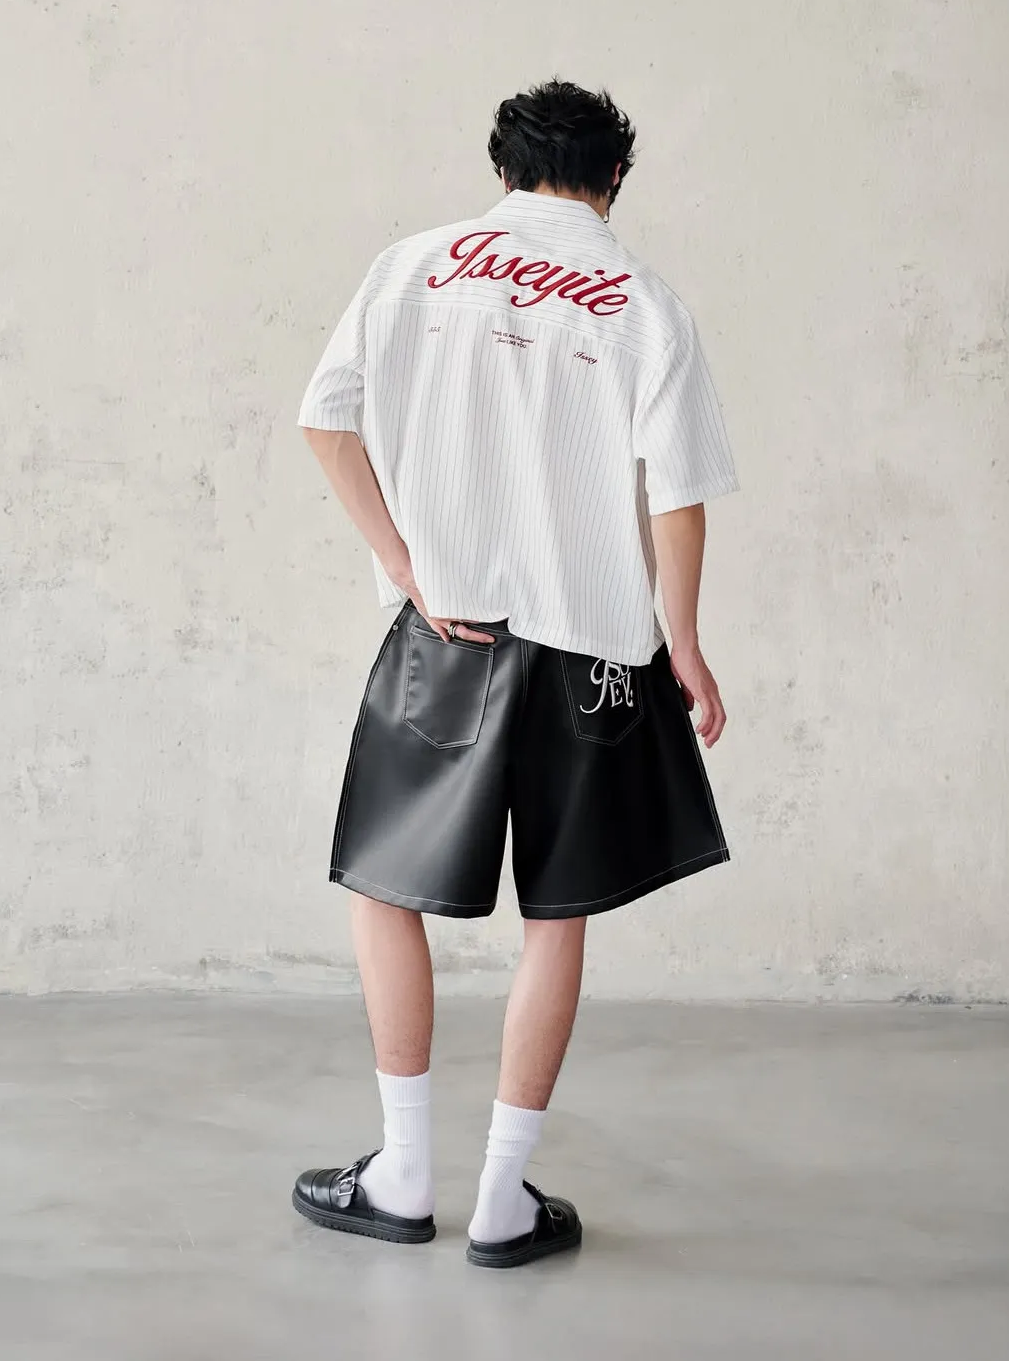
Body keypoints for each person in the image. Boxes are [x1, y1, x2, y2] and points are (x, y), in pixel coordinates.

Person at [291, 78, 739, 1268]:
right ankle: (500, 1198)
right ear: (613, 179)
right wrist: (685, 642)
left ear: (502, 169)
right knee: (557, 910)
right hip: (592, 646)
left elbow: (326, 418)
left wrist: (406, 566)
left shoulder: (413, 266)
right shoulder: (646, 302)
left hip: (449, 633)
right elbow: (679, 495)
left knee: (384, 883)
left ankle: (401, 1173)